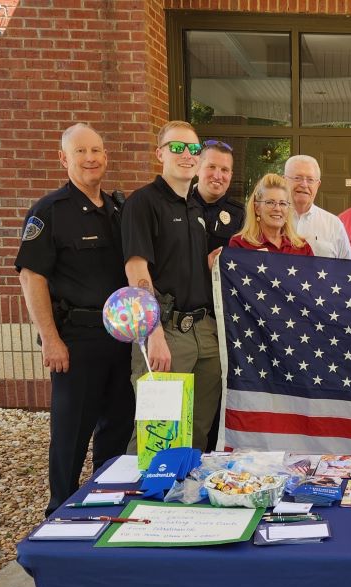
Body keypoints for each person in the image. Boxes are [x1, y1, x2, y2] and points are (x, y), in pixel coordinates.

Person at [15, 123, 135, 515]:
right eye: (81, 152)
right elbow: (32, 276)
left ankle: (105, 503)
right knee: (70, 434)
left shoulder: (118, 210)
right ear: (64, 159)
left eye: (96, 150)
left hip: (119, 340)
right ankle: (59, 511)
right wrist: (50, 339)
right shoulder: (49, 213)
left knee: (116, 428)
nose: (90, 158)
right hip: (76, 341)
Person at [122, 120, 220, 452]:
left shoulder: (195, 207)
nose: (187, 155)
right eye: (177, 147)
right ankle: (142, 501)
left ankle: (184, 500)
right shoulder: (143, 203)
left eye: (193, 149)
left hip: (203, 332)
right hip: (165, 329)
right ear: (159, 153)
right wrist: (152, 333)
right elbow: (136, 267)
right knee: (157, 434)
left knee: (197, 433)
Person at [283, 155, 351, 260]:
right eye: (297, 178)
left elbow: (347, 270)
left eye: (310, 180)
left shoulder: (334, 225)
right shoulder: (272, 219)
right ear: (284, 180)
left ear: (318, 185)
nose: (304, 184)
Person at [230, 173, 313, 255]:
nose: (277, 208)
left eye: (282, 203)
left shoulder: (303, 248)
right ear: (257, 208)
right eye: (270, 202)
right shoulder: (239, 244)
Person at [191, 139, 245, 253]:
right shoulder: (177, 205)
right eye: (211, 167)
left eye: (224, 170)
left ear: (230, 175)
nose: (217, 176)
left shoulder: (242, 215)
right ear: (197, 168)